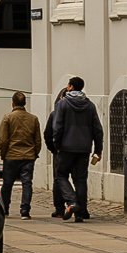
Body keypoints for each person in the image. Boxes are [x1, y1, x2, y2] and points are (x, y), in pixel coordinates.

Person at [45, 75, 103, 221]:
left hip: (66, 147)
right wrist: (98, 149)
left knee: (61, 176)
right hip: (84, 148)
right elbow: (98, 129)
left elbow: (57, 127)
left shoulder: (62, 104)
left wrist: (57, 145)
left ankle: (72, 202)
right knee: (81, 180)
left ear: (70, 87)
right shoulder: (89, 105)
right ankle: (80, 213)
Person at [0, 89, 43, 219]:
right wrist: (35, 153)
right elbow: (38, 140)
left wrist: (3, 153)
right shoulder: (33, 119)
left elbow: (3, 139)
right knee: (27, 183)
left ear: (13, 103)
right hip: (28, 156)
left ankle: (5, 208)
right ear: (24, 103)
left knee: (7, 184)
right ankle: (25, 210)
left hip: (11, 155)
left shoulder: (8, 118)